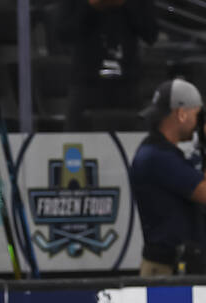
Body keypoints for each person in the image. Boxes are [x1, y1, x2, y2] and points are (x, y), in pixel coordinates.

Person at [132, 78, 206, 277]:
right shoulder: (158, 157)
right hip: (166, 269)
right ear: (182, 114)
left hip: (177, 265)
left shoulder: (161, 152)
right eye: (197, 115)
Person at [55, 0, 157, 131]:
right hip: (86, 81)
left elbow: (151, 34)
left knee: (132, 142)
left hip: (127, 81)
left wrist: (126, 4)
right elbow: (63, 33)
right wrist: (91, 6)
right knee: (76, 142)